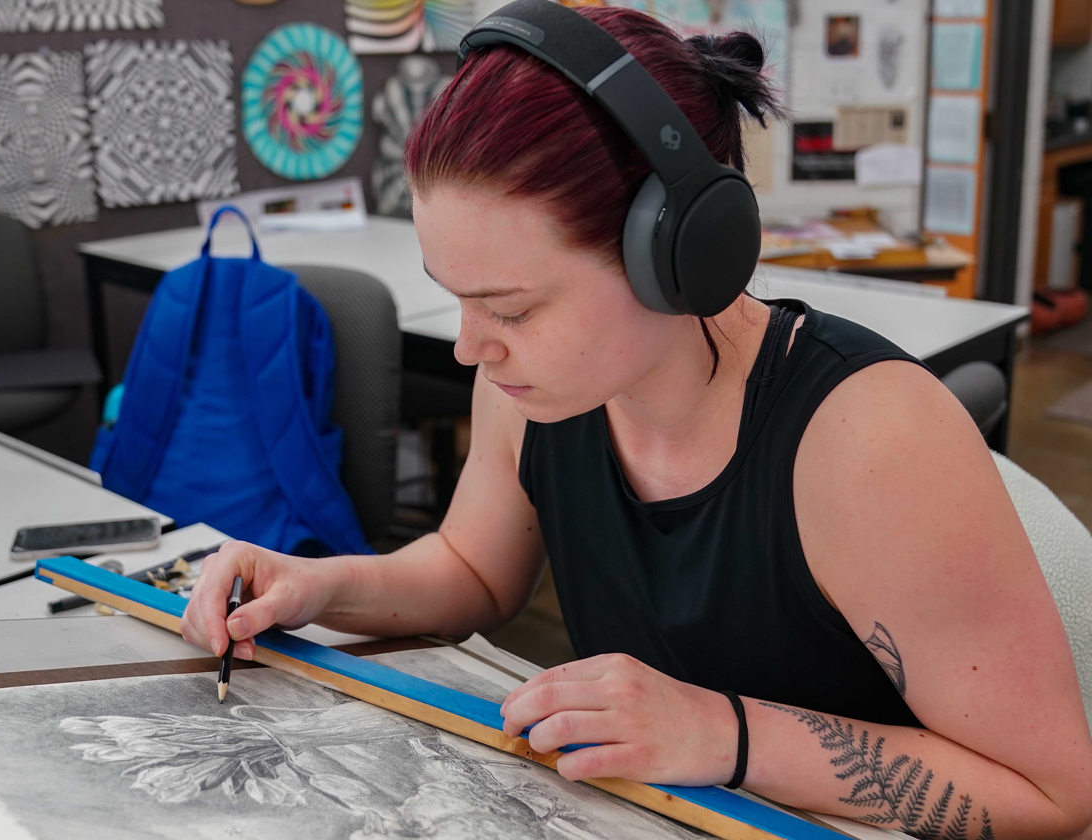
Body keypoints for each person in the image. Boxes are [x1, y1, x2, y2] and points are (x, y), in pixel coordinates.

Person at [181, 6, 1092, 837]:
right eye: (456, 299)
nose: (469, 349)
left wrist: (724, 733)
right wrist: (318, 587)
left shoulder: (868, 443)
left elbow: (1051, 798)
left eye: (513, 309)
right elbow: (471, 571)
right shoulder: (534, 390)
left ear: (681, 256)